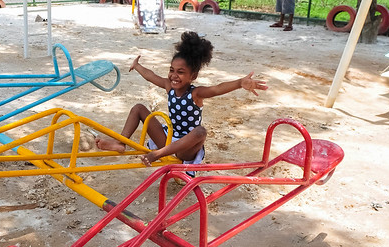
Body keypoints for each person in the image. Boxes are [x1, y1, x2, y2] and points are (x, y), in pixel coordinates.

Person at [95, 31, 267, 174]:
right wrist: (137, 66)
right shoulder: (168, 85)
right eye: (172, 70)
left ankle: (157, 154)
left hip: (186, 148)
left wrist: (239, 83)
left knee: (200, 131)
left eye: (181, 72)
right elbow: (151, 75)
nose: (174, 75)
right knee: (138, 108)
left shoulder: (196, 93)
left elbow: (217, 88)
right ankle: (120, 143)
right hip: (168, 139)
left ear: (193, 76)